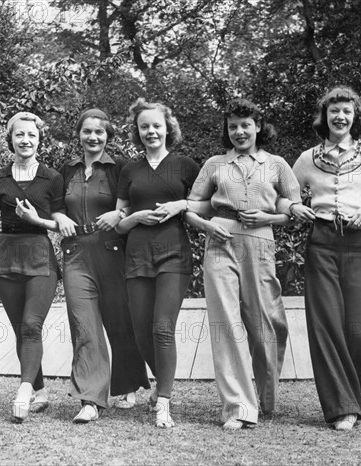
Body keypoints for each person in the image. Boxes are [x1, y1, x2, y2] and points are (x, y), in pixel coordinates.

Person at [186, 98, 301, 430]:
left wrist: (269, 216)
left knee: (268, 322)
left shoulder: (277, 164)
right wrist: (207, 225)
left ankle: (266, 397)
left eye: (245, 124)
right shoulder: (215, 164)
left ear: (258, 126)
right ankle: (238, 405)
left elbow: (293, 212)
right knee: (226, 323)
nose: (239, 131)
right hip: (220, 241)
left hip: (260, 240)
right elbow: (191, 207)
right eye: (233, 125)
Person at [279, 86, 361, 431]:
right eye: (333, 111)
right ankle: (342, 408)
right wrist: (294, 206)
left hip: (357, 241)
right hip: (321, 242)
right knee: (325, 325)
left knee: (360, 328)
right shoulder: (308, 158)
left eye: (347, 112)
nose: (340, 117)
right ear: (324, 117)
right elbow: (281, 196)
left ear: (356, 118)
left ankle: (356, 380)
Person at [52, 109, 149, 424]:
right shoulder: (65, 172)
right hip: (76, 256)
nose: (93, 137)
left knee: (120, 324)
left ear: (108, 136)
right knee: (84, 327)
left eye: (99, 132)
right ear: (78, 134)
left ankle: (129, 383)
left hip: (112, 253)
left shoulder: (120, 169)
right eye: (87, 131)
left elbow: (141, 200)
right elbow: (53, 206)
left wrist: (119, 215)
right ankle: (91, 399)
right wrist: (60, 217)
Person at [0, 112, 64, 422]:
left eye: (32, 135)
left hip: (40, 256)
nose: (26, 140)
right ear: (11, 139)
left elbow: (60, 225)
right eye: (20, 135)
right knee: (20, 329)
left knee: (31, 325)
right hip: (6, 258)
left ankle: (23, 391)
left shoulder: (52, 178)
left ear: (39, 140)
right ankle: (40, 390)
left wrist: (35, 219)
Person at [115, 100, 203, 428]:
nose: (151, 131)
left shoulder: (185, 166)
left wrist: (182, 203)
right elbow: (119, 221)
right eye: (144, 127)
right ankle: (159, 383)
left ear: (168, 127)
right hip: (137, 255)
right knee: (142, 332)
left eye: (156, 126)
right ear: (137, 132)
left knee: (162, 327)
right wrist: (134, 216)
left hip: (174, 255)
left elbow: (205, 204)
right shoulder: (130, 170)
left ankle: (163, 400)